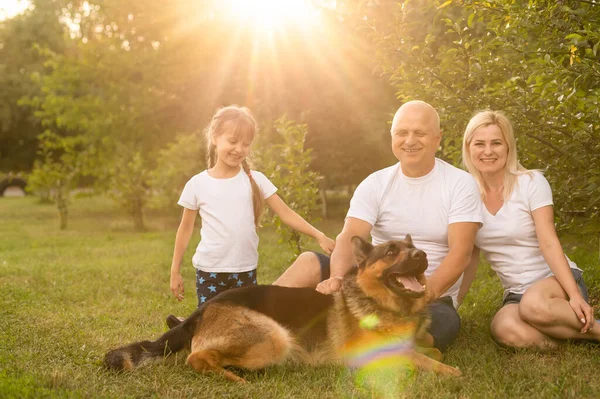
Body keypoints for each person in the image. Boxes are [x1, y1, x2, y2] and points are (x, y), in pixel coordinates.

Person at [274, 100, 483, 352]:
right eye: (402, 133)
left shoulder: (460, 184)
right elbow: (350, 235)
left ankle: (382, 342)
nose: (410, 140)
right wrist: (337, 278)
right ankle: (254, 314)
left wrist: (427, 292)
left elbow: (461, 253)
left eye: (420, 133)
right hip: (371, 283)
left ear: (438, 138)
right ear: (392, 136)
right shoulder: (376, 183)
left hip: (425, 294)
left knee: (439, 325)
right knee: (308, 262)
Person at [169, 105, 335, 307]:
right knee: (210, 324)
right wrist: (175, 270)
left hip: (244, 271)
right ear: (214, 138)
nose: (239, 149)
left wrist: (319, 235)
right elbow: (185, 229)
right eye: (232, 141)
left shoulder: (256, 180)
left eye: (246, 144)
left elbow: (286, 213)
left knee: (245, 327)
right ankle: (190, 328)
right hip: (210, 272)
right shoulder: (197, 184)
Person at [460, 110, 597, 349]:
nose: (488, 151)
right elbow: (468, 258)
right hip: (516, 294)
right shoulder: (465, 196)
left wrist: (574, 295)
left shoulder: (531, 182)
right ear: (469, 148)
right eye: (479, 144)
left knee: (533, 306)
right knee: (503, 328)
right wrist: (453, 305)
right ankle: (567, 337)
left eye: (496, 143)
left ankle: (594, 330)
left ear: (508, 147)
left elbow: (549, 242)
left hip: (555, 282)